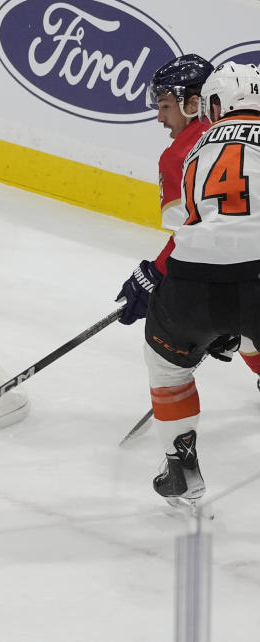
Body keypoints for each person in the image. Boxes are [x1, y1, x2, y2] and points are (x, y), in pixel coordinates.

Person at [138, 62, 260, 504]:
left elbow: (192, 222)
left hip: (192, 281)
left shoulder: (194, 149)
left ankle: (180, 463)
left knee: (167, 365)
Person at [116, 55, 260, 377]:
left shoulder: (181, 155)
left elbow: (192, 231)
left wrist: (154, 273)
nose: (159, 117)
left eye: (165, 106)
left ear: (194, 104)